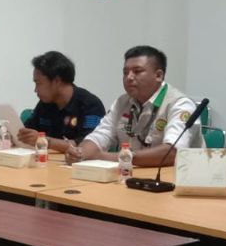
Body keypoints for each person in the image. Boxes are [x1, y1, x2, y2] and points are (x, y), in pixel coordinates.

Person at [69, 46, 198, 166]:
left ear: (158, 75)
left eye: (137, 71)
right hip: (130, 174)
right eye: (125, 72)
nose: (129, 77)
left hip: (172, 177)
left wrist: (107, 157)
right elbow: (101, 135)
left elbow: (172, 152)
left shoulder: (180, 104)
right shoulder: (122, 102)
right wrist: (80, 152)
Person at [17, 51, 106, 154]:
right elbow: (28, 129)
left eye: (38, 83)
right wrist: (17, 134)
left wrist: (45, 141)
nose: (35, 90)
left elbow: (87, 146)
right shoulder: (44, 104)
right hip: (49, 161)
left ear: (57, 81)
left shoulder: (90, 105)